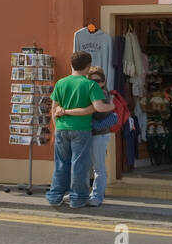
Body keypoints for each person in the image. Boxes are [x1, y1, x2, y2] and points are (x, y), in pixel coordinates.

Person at [47, 51, 113, 209]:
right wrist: (112, 106)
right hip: (81, 129)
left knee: (61, 164)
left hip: (61, 128)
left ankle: (55, 197)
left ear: (71, 65)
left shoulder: (61, 83)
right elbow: (98, 107)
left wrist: (57, 127)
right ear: (88, 66)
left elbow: (54, 108)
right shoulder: (90, 84)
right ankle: (78, 199)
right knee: (79, 165)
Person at [59, 66, 119, 207]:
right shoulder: (91, 91)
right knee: (83, 166)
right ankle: (80, 193)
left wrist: (91, 106)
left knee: (98, 167)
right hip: (87, 134)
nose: (94, 83)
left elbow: (100, 113)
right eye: (90, 80)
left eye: (97, 81)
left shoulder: (102, 93)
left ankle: (97, 196)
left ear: (103, 82)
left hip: (99, 135)